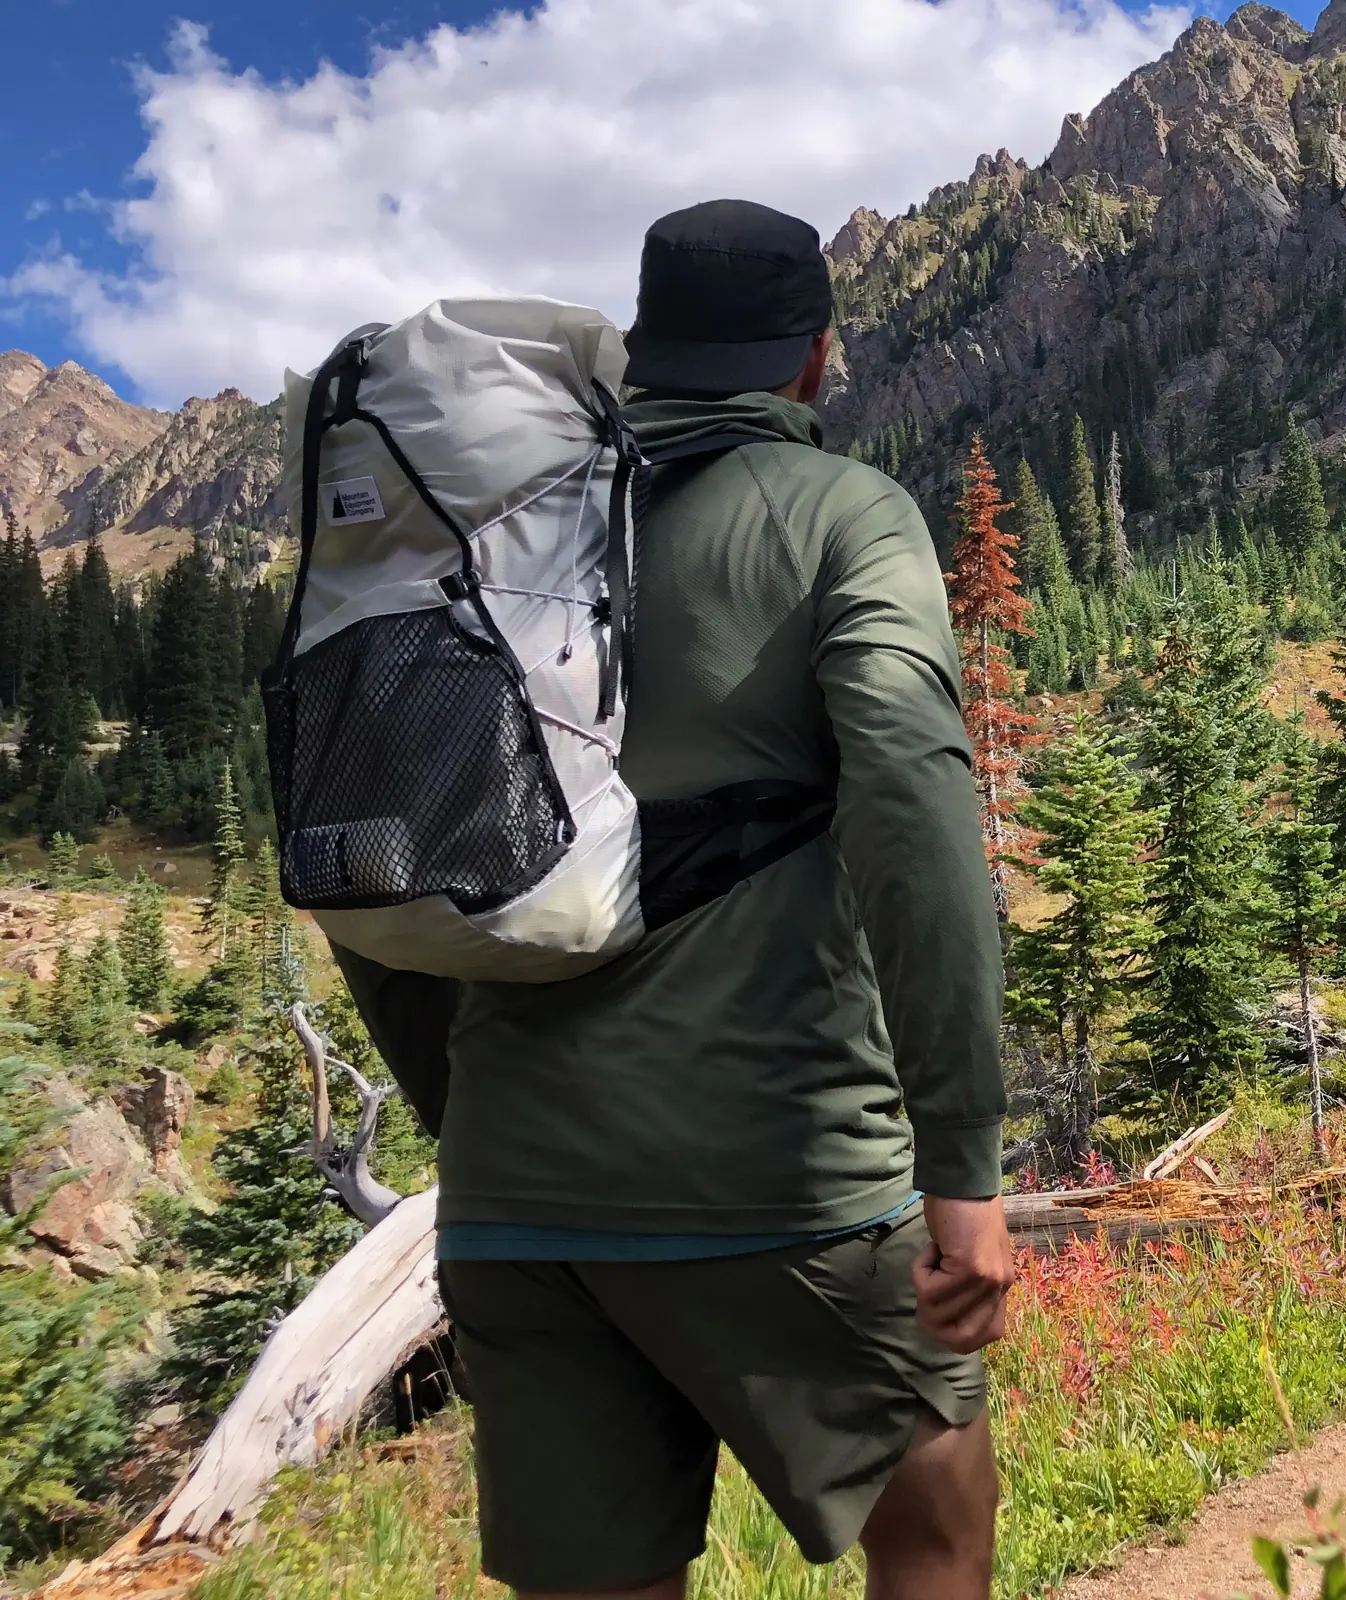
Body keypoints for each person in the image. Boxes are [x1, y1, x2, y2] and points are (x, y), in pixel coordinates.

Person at [335, 198, 1012, 1600]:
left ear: (644, 351)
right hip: (777, 1173)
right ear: (813, 360)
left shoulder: (486, 542)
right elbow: (918, 812)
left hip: (521, 1204)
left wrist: (475, 1122)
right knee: (936, 1514)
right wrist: (963, 1166)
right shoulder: (845, 517)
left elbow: (368, 865)